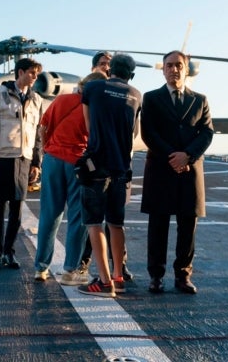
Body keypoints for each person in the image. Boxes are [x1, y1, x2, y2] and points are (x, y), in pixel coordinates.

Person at [140, 50, 214, 295]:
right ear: (163, 69)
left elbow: (206, 132)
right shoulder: (151, 98)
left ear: (186, 69)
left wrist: (187, 156)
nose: (174, 69)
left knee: (188, 226)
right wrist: (173, 155)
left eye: (179, 65)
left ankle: (183, 275)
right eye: (169, 65)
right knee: (158, 226)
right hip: (162, 169)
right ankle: (156, 276)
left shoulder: (200, 100)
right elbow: (149, 133)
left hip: (189, 171)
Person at [76, 54, 141, 297]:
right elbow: (134, 132)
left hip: (96, 166)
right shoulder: (137, 95)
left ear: (110, 69)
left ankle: (103, 282)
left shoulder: (92, 87)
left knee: (94, 223)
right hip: (122, 167)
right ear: (131, 74)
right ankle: (118, 276)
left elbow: (88, 126)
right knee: (116, 223)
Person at [33, 71, 107, 284]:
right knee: (78, 216)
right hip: (77, 163)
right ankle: (70, 270)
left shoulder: (62, 99)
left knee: (49, 213)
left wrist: (48, 149)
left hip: (53, 160)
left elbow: (43, 127)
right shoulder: (94, 108)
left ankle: (41, 268)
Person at [0, 58, 44, 271]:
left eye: (37, 74)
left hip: (24, 159)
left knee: (17, 209)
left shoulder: (36, 100)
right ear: (21, 72)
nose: (35, 77)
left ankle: (9, 251)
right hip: (1, 158)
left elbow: (37, 135)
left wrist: (36, 162)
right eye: (32, 73)